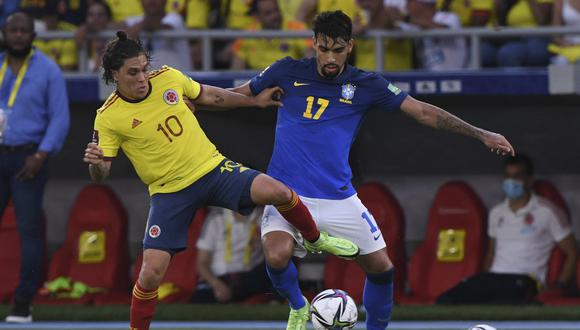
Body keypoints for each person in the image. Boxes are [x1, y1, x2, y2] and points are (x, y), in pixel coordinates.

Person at [230, 10, 514, 330]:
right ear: (313, 44)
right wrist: (189, 95)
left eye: (337, 49)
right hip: (288, 194)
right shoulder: (285, 71)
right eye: (324, 48)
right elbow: (236, 95)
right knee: (276, 255)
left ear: (350, 46)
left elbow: (422, 112)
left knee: (382, 268)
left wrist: (481, 133)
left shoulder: (367, 84)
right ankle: (298, 306)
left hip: (339, 198)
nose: (330, 57)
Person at [82, 31, 358, 330]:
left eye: (144, 68)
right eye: (133, 73)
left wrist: (253, 102)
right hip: (170, 192)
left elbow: (211, 95)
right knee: (150, 274)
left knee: (279, 191)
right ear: (114, 74)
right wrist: (96, 164)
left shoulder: (169, 78)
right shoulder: (108, 117)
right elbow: (101, 173)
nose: (142, 78)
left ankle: (316, 239)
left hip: (213, 170)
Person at [0, 12, 70, 323]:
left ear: (32, 35)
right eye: (12, 30)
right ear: (4, 33)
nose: (17, 35)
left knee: (28, 231)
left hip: (29, 158)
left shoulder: (48, 70)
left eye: (23, 30)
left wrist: (41, 155)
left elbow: (60, 118)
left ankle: (23, 302)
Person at [436, 154, 577, 305]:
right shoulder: (496, 212)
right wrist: (485, 276)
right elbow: (491, 252)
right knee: (445, 300)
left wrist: (559, 286)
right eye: (508, 176)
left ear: (529, 180)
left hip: (525, 279)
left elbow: (573, 252)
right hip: (494, 277)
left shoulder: (547, 211)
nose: (511, 182)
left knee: (499, 303)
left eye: (517, 176)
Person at [191, 207, 272, 303]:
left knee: (275, 267)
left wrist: (264, 243)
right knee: (201, 298)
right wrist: (216, 284)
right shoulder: (216, 219)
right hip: (219, 278)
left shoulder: (265, 218)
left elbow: (275, 255)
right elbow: (202, 263)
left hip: (250, 277)